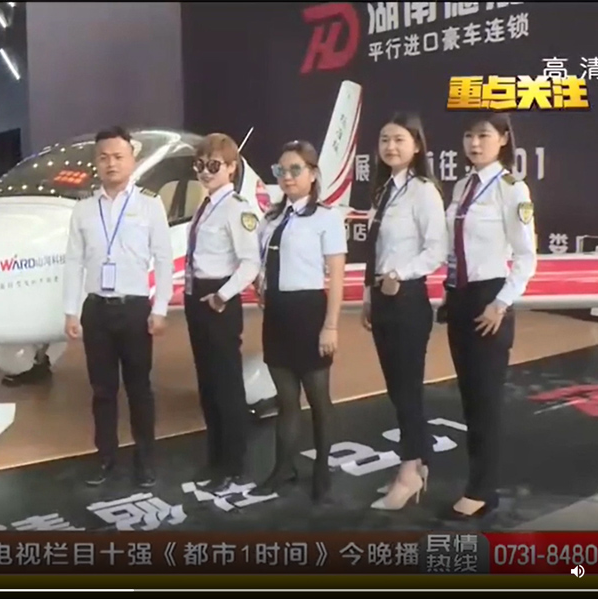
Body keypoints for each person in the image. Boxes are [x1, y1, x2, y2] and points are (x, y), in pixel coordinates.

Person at [62, 126, 174, 488]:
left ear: (132, 160)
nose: (111, 163)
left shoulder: (149, 205)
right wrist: (70, 310)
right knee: (102, 391)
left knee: (140, 389)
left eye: (118, 157)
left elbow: (163, 258)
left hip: (135, 309)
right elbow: (73, 262)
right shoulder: (83, 209)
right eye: (104, 157)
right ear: (96, 162)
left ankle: (146, 461)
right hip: (96, 310)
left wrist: (160, 308)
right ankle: (106, 458)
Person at [441, 113, 536, 519]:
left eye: (483, 135)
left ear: (503, 139)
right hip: (460, 298)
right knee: (469, 398)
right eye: (468, 135)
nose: (474, 143)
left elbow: (527, 257)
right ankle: (478, 482)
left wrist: (500, 303)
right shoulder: (462, 186)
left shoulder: (512, 189)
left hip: (489, 300)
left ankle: (482, 490)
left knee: (485, 400)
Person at [251, 140, 346, 503]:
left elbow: (336, 276)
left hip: (309, 312)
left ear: (313, 174)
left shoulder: (326, 217)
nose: (287, 177)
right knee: (287, 400)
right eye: (281, 170)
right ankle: (283, 467)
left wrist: (331, 325)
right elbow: (260, 260)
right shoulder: (271, 218)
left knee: (318, 398)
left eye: (295, 170)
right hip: (277, 313)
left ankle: (322, 468)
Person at [361, 113, 447, 511]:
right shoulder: (384, 191)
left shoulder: (423, 192)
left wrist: (401, 273)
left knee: (407, 391)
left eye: (398, 139)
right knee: (397, 391)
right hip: (382, 297)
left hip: (407, 298)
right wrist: (368, 295)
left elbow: (436, 249)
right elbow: (375, 250)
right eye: (384, 139)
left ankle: (410, 472)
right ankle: (418, 461)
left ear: (416, 145)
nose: (390, 147)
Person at [184, 132, 261, 493]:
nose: (205, 171)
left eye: (213, 165)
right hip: (197, 296)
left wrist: (222, 295)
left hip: (219, 299)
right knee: (207, 382)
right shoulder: (206, 205)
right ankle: (215, 457)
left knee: (226, 384)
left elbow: (250, 262)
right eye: (199, 164)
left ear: (231, 167)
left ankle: (234, 462)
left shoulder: (236, 208)